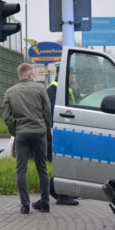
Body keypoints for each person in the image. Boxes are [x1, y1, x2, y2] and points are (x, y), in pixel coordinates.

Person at [2, 63, 52, 214]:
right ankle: (45, 203)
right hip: (39, 133)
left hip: (22, 134)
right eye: (33, 75)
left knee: (21, 170)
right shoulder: (40, 88)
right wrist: (47, 126)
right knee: (42, 168)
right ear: (30, 75)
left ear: (20, 75)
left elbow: (6, 117)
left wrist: (14, 131)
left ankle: (25, 205)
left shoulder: (10, 92)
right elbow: (47, 110)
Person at [46, 66, 79, 206]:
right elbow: (52, 111)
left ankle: (59, 191)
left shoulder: (65, 88)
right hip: (60, 131)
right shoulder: (53, 88)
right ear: (61, 73)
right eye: (70, 74)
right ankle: (62, 195)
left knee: (66, 162)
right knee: (63, 164)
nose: (71, 77)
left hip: (66, 130)